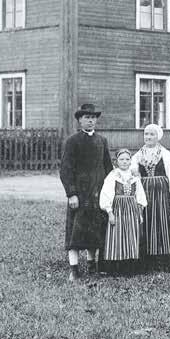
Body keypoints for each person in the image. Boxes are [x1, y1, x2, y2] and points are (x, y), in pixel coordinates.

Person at [59, 104, 113, 282]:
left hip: (97, 193)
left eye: (93, 117)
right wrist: (71, 193)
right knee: (75, 231)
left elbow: (108, 168)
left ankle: (91, 264)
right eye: (87, 117)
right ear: (80, 120)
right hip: (80, 195)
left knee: (94, 230)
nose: (90, 120)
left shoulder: (101, 141)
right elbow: (66, 170)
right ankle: (74, 269)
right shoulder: (73, 141)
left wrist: (111, 190)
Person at [131, 124, 170, 271]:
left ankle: (166, 263)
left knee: (163, 224)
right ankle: (148, 263)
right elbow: (131, 173)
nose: (148, 137)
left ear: (158, 136)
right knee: (147, 224)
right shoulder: (138, 155)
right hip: (145, 193)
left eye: (151, 134)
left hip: (162, 194)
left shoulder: (165, 154)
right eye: (146, 134)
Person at [99, 149, 148, 276]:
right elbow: (106, 195)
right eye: (122, 159)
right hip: (118, 209)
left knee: (131, 235)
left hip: (132, 210)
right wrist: (110, 212)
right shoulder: (113, 176)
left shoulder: (134, 177)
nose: (125, 162)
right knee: (117, 235)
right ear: (116, 161)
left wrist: (140, 212)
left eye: (127, 159)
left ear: (131, 161)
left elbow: (140, 196)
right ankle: (116, 268)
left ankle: (130, 267)